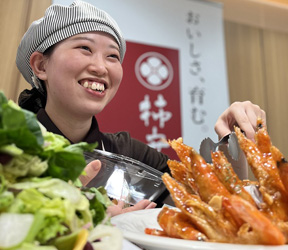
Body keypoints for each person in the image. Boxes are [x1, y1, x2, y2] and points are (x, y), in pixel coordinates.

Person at [16, 0, 266, 216]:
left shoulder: (127, 152)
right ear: (41, 66)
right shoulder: (12, 150)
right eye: (85, 48)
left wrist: (234, 139)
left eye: (112, 56)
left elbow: (216, 202)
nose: (101, 67)